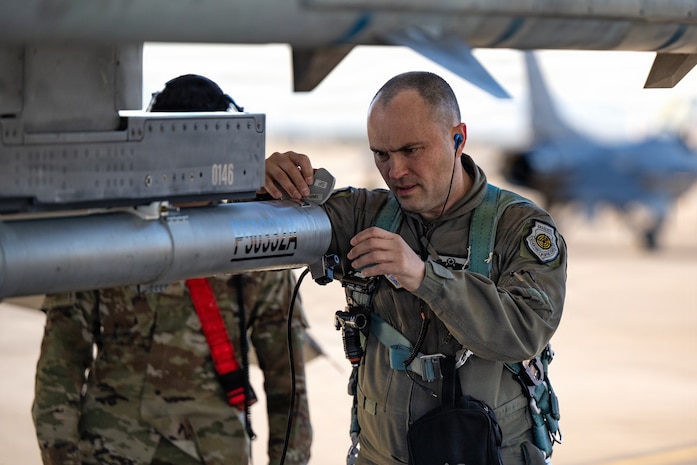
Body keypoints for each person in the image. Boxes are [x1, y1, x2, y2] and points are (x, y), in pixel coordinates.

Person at [264, 71, 567, 465]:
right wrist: (262, 183)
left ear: (458, 138)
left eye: (411, 150)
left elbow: (526, 330)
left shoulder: (519, 228)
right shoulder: (363, 214)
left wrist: (424, 276)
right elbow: (249, 236)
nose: (395, 171)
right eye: (382, 154)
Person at [32, 74, 312, 465]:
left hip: (213, 450)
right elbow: (60, 367)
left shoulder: (252, 239)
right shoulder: (110, 235)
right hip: (112, 449)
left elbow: (289, 385)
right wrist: (61, 456)